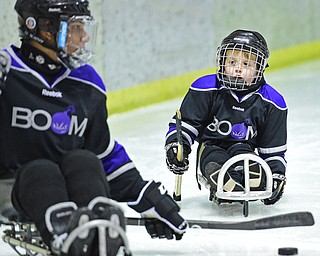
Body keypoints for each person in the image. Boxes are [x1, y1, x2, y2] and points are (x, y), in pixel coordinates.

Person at [0, 0, 187, 255]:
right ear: (45, 29)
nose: (85, 36)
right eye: (76, 27)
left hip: (66, 187)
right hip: (12, 189)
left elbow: (103, 153)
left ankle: (99, 231)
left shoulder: (88, 83)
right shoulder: (7, 71)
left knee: (84, 160)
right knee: (41, 170)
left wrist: (145, 196)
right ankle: (69, 238)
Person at [165, 29, 287, 205]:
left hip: (244, 148)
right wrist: (177, 146)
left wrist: (276, 175)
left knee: (246, 159)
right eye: (232, 62)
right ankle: (225, 180)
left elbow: (273, 148)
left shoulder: (273, 102)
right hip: (210, 145)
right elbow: (186, 124)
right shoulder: (205, 88)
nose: (238, 69)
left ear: (259, 68)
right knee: (213, 161)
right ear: (222, 62)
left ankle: (247, 180)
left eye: (246, 64)